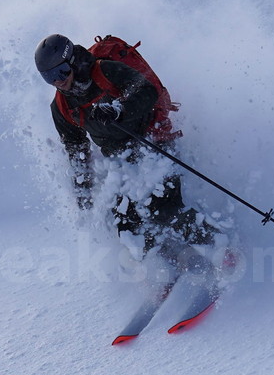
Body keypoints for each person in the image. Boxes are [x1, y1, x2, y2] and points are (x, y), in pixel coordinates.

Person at [34, 33, 220, 269]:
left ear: (71, 61)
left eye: (60, 72)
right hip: (121, 159)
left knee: (163, 209)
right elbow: (76, 151)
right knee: (126, 223)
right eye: (49, 77)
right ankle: (164, 268)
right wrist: (83, 193)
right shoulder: (61, 107)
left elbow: (147, 90)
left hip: (154, 140)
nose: (58, 82)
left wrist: (118, 110)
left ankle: (220, 247)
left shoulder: (105, 71)